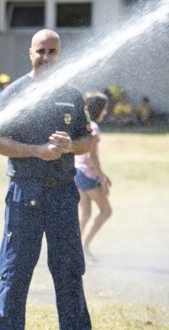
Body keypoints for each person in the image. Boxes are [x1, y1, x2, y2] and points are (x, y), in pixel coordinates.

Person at [0, 29, 93, 329]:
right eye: (40, 51)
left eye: (52, 51)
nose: (46, 57)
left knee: (69, 270)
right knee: (15, 272)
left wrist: (71, 146)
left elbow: (88, 140)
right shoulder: (14, 93)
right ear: (30, 54)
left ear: (60, 55)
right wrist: (38, 151)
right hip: (25, 194)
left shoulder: (71, 94)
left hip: (62, 194)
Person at [75, 92, 112, 262]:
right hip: (89, 176)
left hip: (78, 173)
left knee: (85, 214)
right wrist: (102, 177)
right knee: (105, 211)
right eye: (105, 108)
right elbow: (93, 157)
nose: (106, 112)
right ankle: (84, 247)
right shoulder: (94, 128)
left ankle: (75, 248)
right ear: (98, 109)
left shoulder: (84, 124)